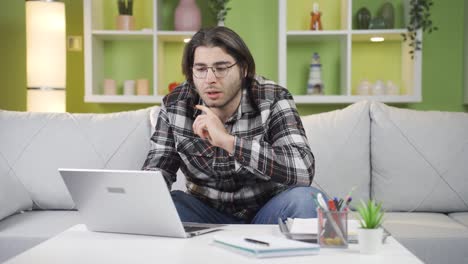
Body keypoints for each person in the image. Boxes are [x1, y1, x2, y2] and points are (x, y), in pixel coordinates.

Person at [142, 26, 321, 224]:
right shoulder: (175, 105)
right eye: (201, 69)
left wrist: (230, 142)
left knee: (307, 200)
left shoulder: (273, 98)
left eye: (221, 68)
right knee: (169, 205)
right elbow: (157, 169)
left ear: (243, 69)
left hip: (268, 212)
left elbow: (303, 169)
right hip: (205, 214)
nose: (210, 79)